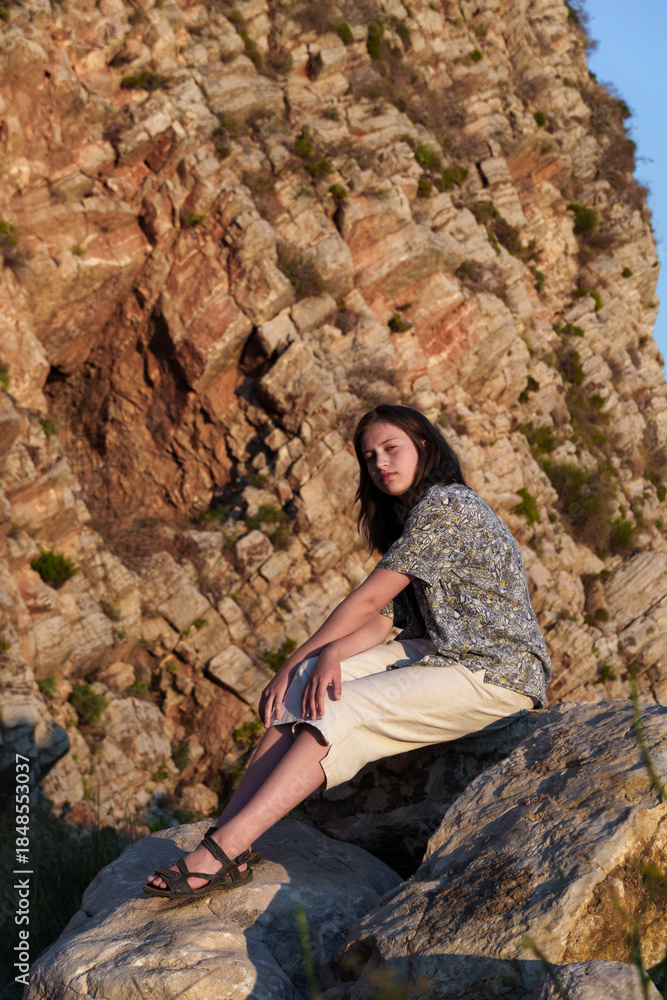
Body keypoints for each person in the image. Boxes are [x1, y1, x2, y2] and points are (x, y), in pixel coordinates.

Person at [144, 404, 551, 898]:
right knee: (308, 681)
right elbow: (386, 620)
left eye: (391, 448)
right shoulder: (419, 516)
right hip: (443, 652)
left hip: (496, 672)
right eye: (370, 457)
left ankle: (222, 852)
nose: (380, 464)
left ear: (424, 445)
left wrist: (292, 659)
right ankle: (227, 834)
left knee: (336, 703)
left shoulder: (449, 505)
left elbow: (368, 600)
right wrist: (321, 657)